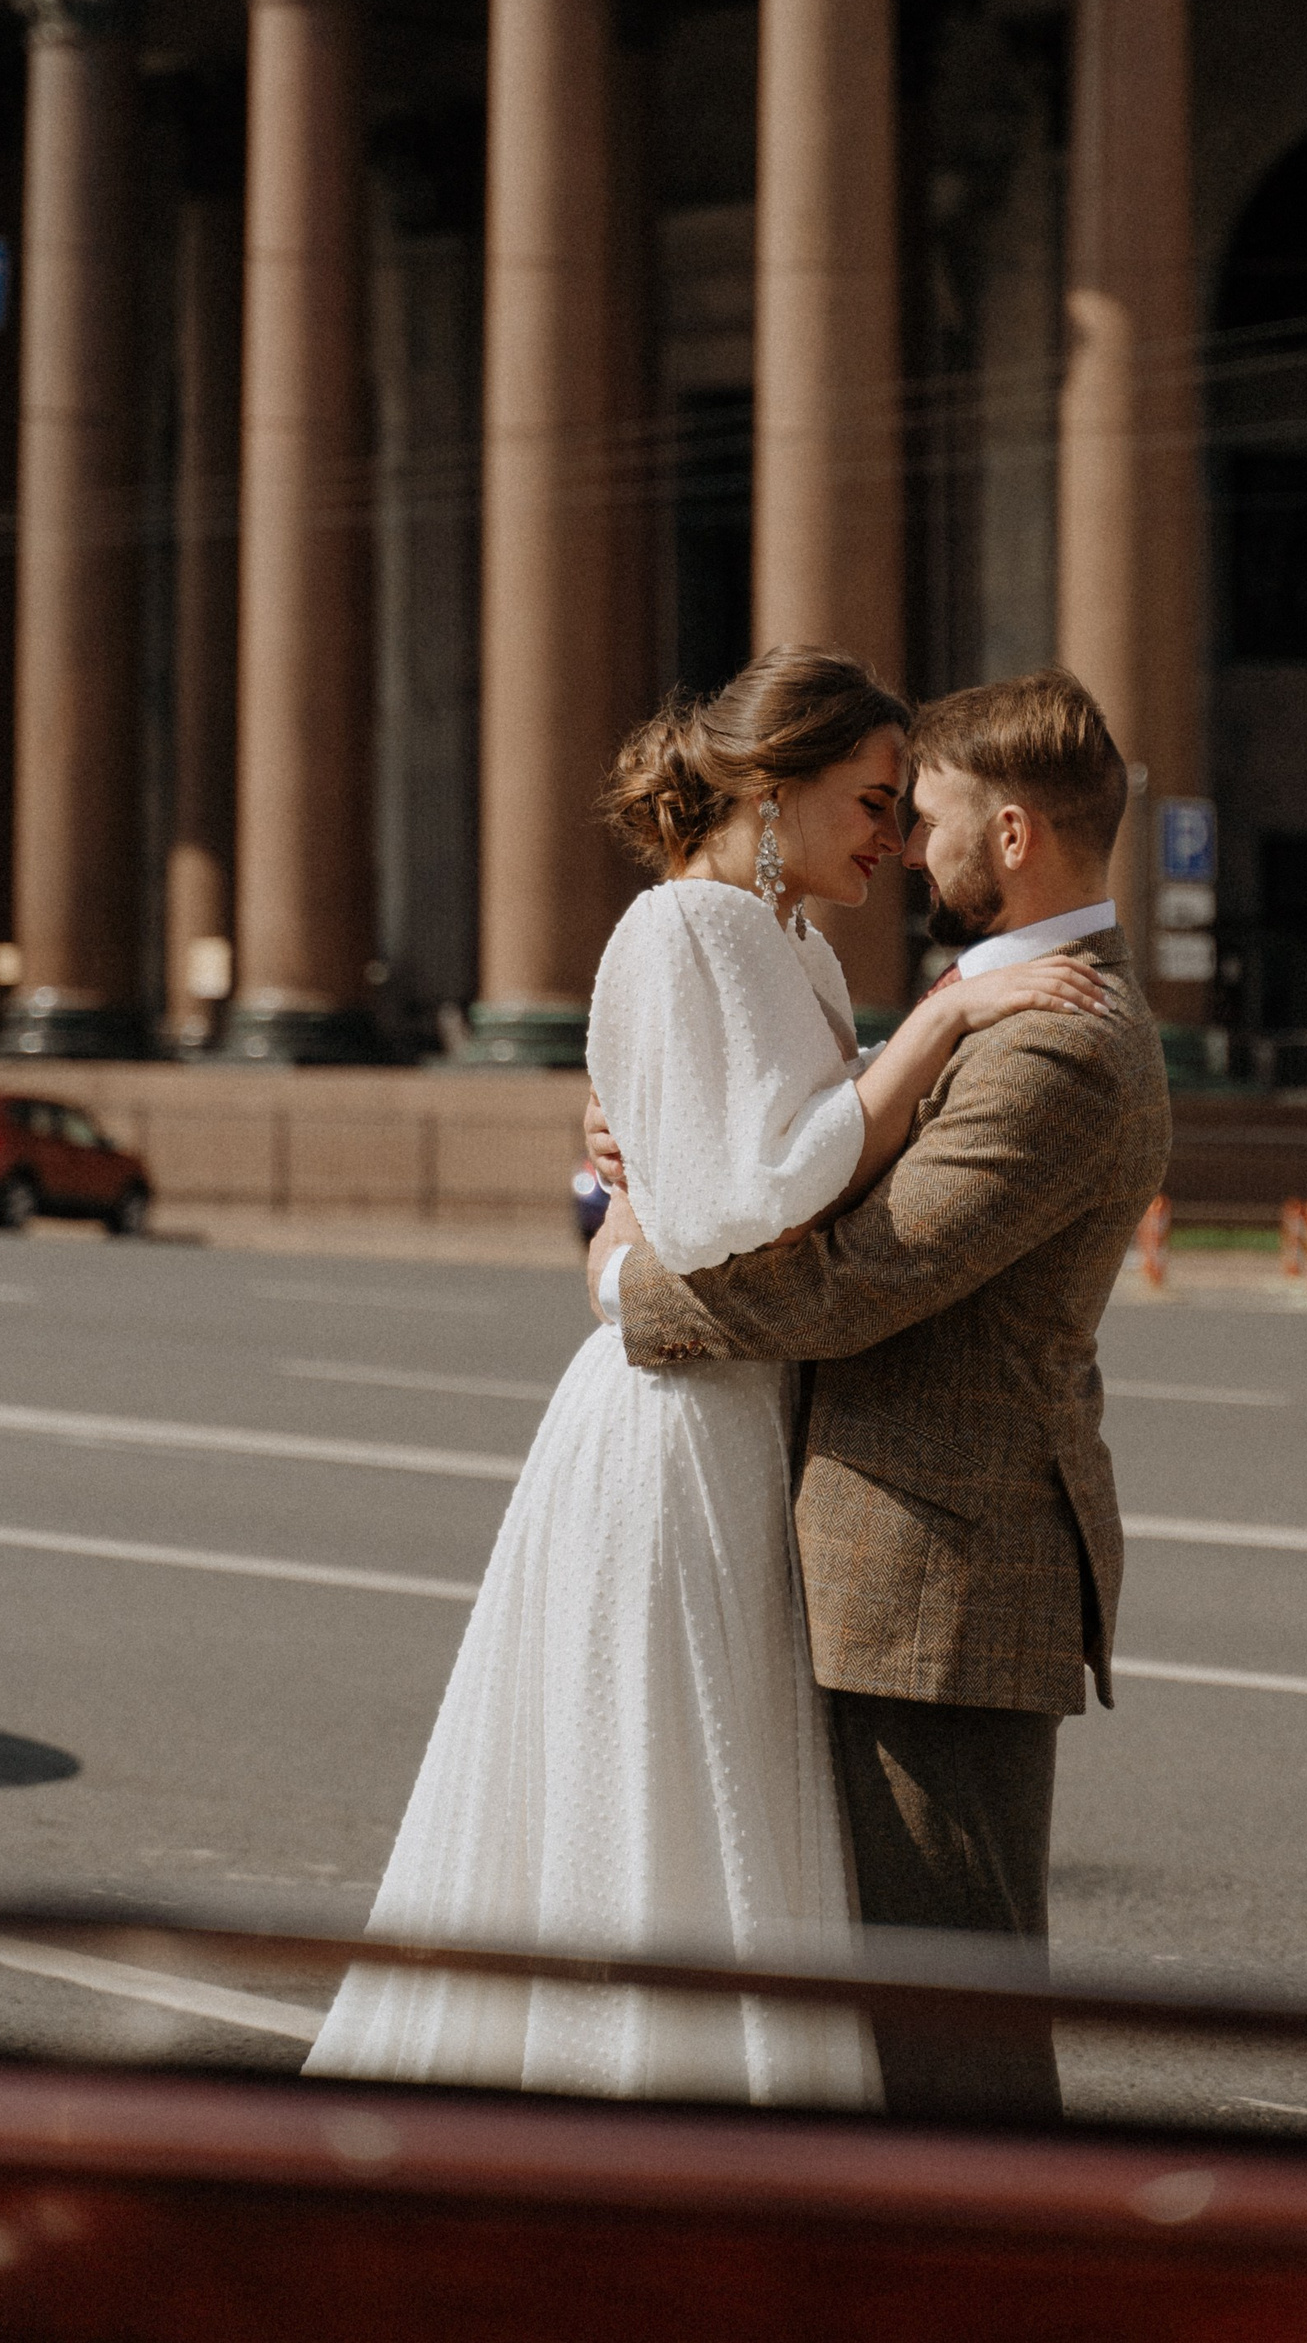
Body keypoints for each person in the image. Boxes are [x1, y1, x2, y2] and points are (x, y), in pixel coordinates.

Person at [303, 645, 1107, 2105]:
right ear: (774, 788)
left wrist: (629, 1187)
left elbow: (759, 1165)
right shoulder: (687, 924)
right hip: (678, 1414)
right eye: (871, 801)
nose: (891, 839)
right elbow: (764, 1196)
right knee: (665, 1772)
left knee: (725, 1769)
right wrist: (939, 1021)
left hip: (751, 1405)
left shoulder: (791, 945)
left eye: (903, 808)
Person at [588, 669, 1170, 2123]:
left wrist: (622, 1278)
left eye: (931, 814)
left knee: (952, 2041)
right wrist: (645, 1141)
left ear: (1014, 834)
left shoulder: (1056, 1042)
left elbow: (851, 1286)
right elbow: (790, 1152)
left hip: (941, 1586)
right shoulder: (1001, 1013)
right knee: (906, 2014)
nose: (909, 844)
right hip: (907, 1573)